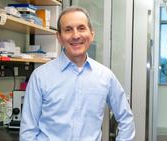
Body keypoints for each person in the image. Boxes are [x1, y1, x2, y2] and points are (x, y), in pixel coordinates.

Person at [20, 6, 135, 141]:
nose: (75, 36)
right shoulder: (40, 77)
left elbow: (126, 118)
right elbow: (28, 131)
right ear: (59, 37)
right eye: (68, 30)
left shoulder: (105, 76)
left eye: (81, 28)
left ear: (91, 34)